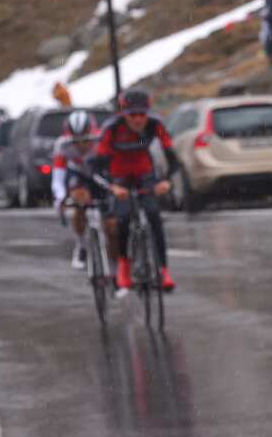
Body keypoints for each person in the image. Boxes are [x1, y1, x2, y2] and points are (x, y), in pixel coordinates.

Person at [90, 88, 180, 294]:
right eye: (133, 115)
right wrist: (112, 186)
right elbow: (96, 168)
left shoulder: (156, 125)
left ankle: (163, 270)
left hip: (144, 174)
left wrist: (166, 182)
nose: (138, 120)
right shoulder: (111, 129)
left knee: (154, 216)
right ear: (123, 113)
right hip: (119, 176)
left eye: (142, 114)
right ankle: (124, 266)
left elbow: (173, 160)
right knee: (122, 218)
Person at [51, 110, 101, 270]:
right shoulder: (62, 145)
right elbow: (58, 177)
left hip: (99, 171)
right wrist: (60, 197)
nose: (81, 145)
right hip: (78, 174)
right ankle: (81, 246)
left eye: (86, 140)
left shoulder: (101, 140)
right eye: (76, 141)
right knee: (79, 200)